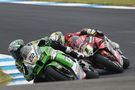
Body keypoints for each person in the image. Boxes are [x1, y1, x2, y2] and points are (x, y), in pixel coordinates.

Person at [8, 37, 91, 82]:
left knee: (56, 45)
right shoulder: (18, 63)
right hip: (38, 69)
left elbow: (42, 40)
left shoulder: (30, 44)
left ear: (22, 47)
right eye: (13, 54)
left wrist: (45, 41)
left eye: (16, 52)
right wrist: (28, 74)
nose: (15, 55)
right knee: (36, 83)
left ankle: (74, 55)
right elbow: (26, 76)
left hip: (45, 56)